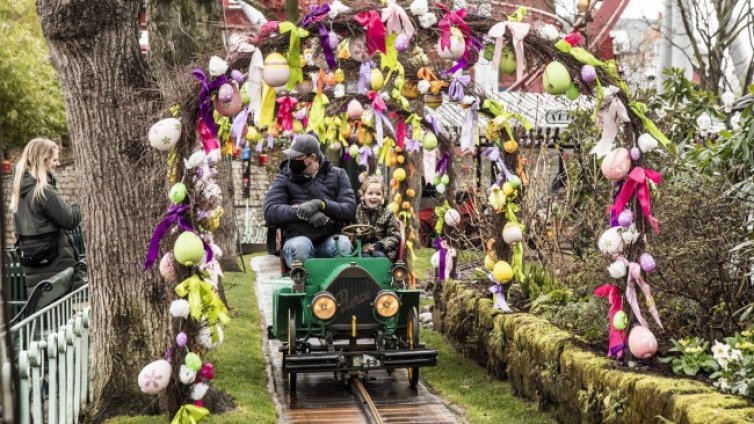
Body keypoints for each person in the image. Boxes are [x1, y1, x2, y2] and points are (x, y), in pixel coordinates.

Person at [264, 134, 356, 267]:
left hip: (329, 239)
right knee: (301, 245)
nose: (292, 160)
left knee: (343, 244)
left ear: (312, 157)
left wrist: (321, 205)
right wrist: (303, 212)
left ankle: (340, 286)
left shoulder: (338, 174)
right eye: (291, 156)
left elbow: (349, 209)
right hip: (296, 240)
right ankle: (303, 285)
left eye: (297, 157)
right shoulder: (284, 177)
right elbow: (270, 210)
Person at [10, 138, 82, 293]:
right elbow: (70, 220)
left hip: (33, 268)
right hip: (57, 266)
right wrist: (81, 201)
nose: (58, 164)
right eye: (54, 159)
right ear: (43, 160)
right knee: (65, 312)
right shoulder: (43, 191)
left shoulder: (18, 192)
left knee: (49, 314)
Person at [354, 176, 401, 261]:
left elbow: (395, 236)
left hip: (383, 250)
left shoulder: (388, 213)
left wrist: (379, 246)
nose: (374, 196)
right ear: (363, 195)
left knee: (378, 256)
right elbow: (351, 233)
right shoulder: (357, 212)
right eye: (370, 193)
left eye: (378, 194)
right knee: (364, 257)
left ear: (383, 196)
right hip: (361, 249)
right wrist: (361, 245)